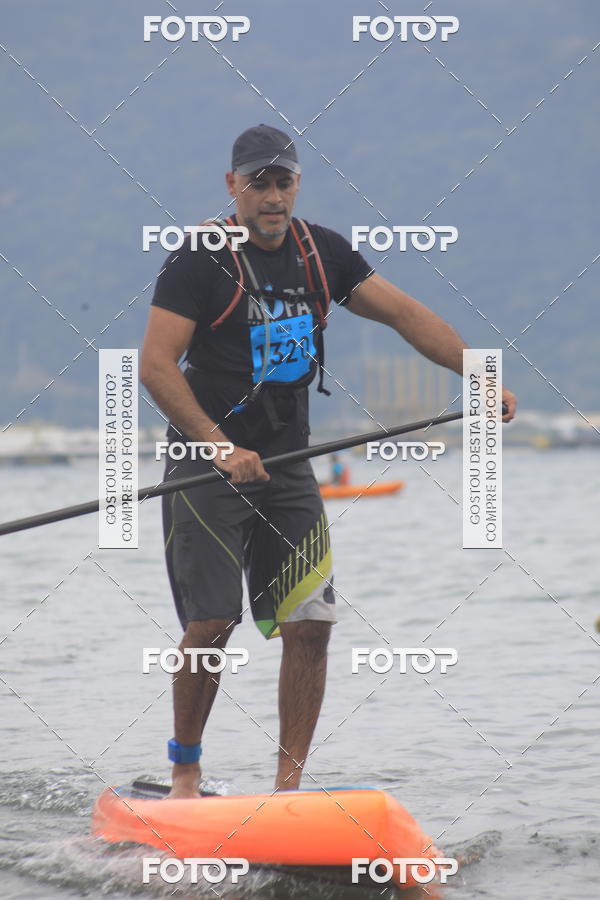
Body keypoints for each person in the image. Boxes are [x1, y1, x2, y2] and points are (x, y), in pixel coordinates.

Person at [140, 124, 517, 799]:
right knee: (212, 624)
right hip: (207, 463)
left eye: (283, 181)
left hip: (287, 464)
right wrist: (220, 448)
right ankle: (185, 773)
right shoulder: (200, 258)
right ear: (233, 187)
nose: (272, 195)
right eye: (258, 182)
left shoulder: (324, 254)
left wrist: (478, 374)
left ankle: (289, 789)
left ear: (298, 184)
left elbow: (405, 314)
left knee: (310, 624)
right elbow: (156, 365)